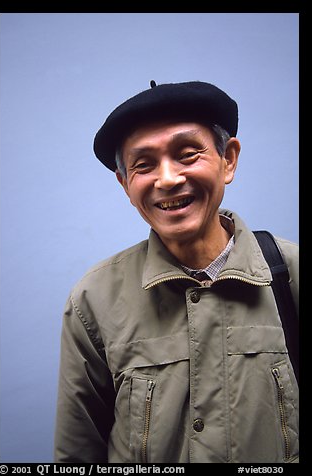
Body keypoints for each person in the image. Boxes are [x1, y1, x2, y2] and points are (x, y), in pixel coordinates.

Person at [54, 81, 299, 463]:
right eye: (143, 164)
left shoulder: (290, 274)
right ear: (125, 184)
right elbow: (76, 453)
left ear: (228, 159)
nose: (167, 179)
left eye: (187, 154)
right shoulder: (93, 301)